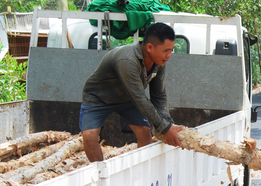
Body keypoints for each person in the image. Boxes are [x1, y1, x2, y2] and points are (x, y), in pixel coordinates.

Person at [79, 22, 185, 162]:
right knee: (89, 136)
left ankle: (145, 171)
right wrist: (165, 128)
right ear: (149, 47)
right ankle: (101, 177)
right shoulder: (127, 60)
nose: (169, 55)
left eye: (171, 50)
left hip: (127, 99)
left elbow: (158, 96)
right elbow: (140, 99)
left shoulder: (159, 62)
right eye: (166, 50)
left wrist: (168, 124)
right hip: (98, 98)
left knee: (144, 131)